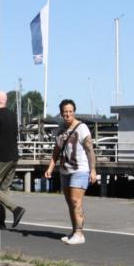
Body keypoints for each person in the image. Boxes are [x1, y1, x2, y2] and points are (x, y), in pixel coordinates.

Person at [44, 99, 97, 244]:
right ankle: (74, 231)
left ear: (74, 112)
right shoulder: (60, 130)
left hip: (80, 169)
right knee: (69, 202)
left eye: (70, 111)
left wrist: (93, 170)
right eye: (65, 112)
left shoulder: (82, 128)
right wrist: (50, 168)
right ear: (61, 113)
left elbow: (90, 150)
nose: (68, 114)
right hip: (64, 170)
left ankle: (79, 234)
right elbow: (56, 151)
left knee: (76, 201)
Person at [0, 90, 25, 229]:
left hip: (1, 157)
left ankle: (16, 209)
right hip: (14, 157)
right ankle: (1, 221)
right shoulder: (12, 115)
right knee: (3, 188)